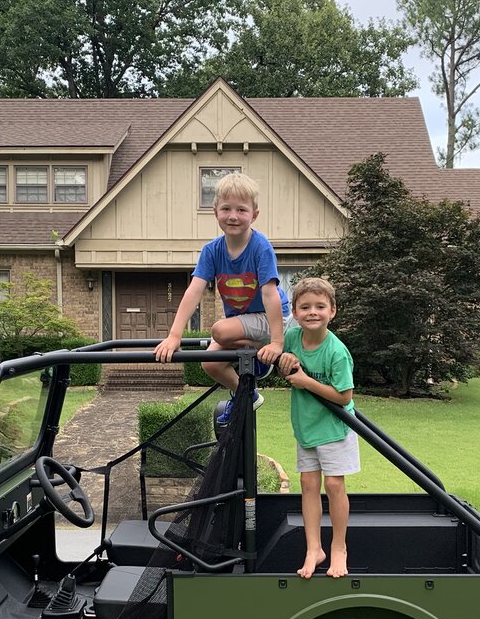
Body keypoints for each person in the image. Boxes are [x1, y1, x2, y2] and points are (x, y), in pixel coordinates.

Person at [153, 172, 291, 424]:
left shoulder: (260, 247)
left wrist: (276, 342)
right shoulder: (212, 251)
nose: (233, 216)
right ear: (215, 211)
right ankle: (246, 395)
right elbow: (194, 291)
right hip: (243, 323)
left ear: (254, 215)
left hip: (272, 317)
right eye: (226, 208)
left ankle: (260, 354)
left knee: (219, 330)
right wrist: (174, 336)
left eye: (241, 210)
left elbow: (269, 293)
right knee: (210, 363)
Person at [277, 277, 360, 579]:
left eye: (320, 306)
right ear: (295, 313)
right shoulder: (291, 338)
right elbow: (283, 367)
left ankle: (338, 547)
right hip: (307, 425)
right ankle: (314, 548)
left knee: (334, 486)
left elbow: (344, 396)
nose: (313, 312)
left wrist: (306, 381)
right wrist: (284, 361)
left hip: (335, 427)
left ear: (332, 311)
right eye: (305, 307)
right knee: (308, 485)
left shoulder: (336, 351)